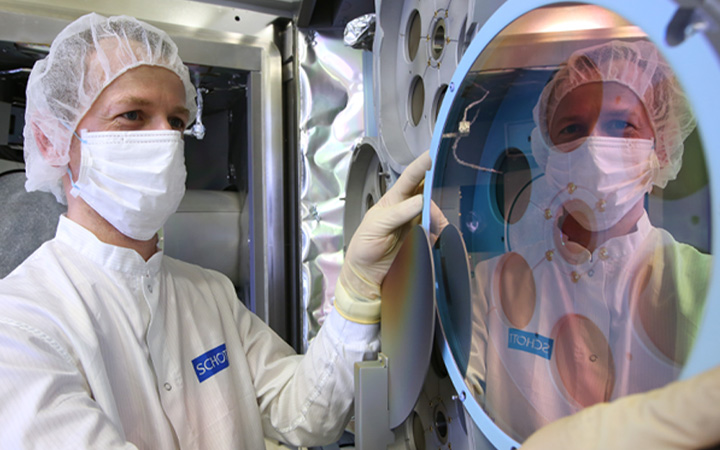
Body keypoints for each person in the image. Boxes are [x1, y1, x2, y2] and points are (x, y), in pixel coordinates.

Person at [0, 13, 431, 449]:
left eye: (176, 122)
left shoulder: (208, 293)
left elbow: (304, 413)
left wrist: (357, 290)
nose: (165, 142)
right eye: (132, 115)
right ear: (53, 140)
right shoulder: (20, 327)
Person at [463, 39, 711, 442]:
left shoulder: (705, 286)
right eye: (572, 129)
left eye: (621, 125)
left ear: (660, 148)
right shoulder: (491, 288)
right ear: (548, 152)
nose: (594, 147)